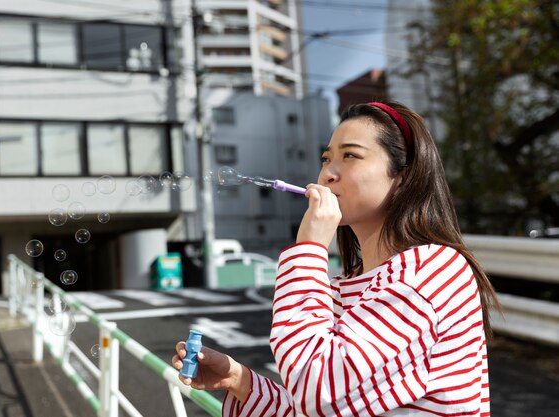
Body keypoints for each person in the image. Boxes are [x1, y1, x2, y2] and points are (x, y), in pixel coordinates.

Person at [173, 101, 499, 416]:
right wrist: (239, 380)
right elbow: (324, 407)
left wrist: (310, 247)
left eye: (350, 156)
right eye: (326, 158)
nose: (328, 173)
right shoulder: (344, 285)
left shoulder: (431, 271)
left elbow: (317, 393)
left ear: (402, 178)